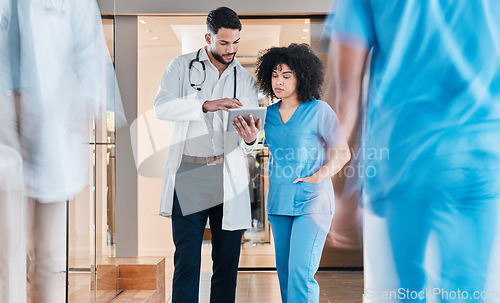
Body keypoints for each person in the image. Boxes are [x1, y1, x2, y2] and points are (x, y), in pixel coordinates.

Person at [326, 1, 500, 302]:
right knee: (464, 290)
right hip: (482, 153)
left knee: (408, 290)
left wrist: (339, 193)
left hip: (406, 157)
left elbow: (346, 93)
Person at [153, 7, 261, 303]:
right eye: (224, 43)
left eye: (236, 42)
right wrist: (205, 104)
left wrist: (251, 140)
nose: (231, 50)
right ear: (208, 37)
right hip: (190, 171)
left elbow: (252, 132)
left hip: (228, 174)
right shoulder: (181, 66)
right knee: (187, 259)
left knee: (226, 262)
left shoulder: (245, 79)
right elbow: (161, 106)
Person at [256, 43, 351, 303]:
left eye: (287, 76)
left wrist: (319, 176)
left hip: (313, 201)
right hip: (279, 203)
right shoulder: (267, 115)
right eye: (275, 75)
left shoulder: (319, 110)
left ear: (302, 76)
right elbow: (252, 142)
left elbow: (342, 152)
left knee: (300, 272)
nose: (279, 81)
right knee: (285, 275)